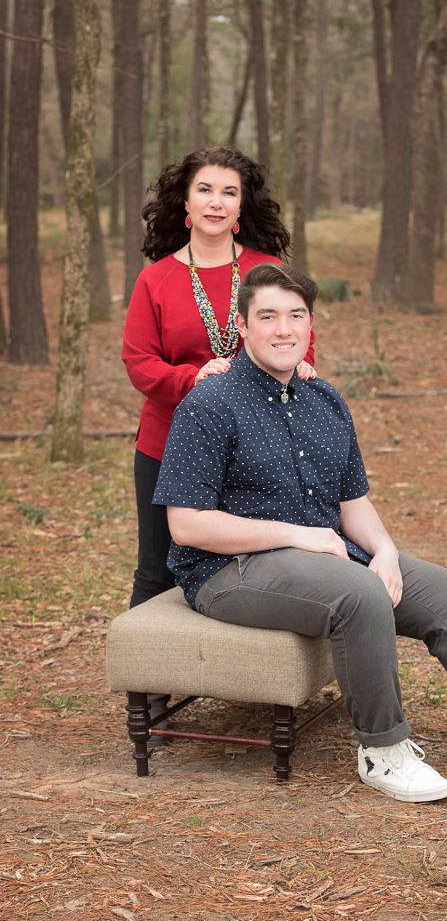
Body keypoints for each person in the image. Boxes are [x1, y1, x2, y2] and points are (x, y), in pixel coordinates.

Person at [152, 263, 447, 803]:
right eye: (268, 317)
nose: (283, 329)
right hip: (228, 572)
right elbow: (187, 525)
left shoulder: (324, 400)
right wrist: (300, 536)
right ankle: (384, 750)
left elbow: (353, 502)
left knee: (445, 591)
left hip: (326, 558)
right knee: (358, 592)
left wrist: (386, 551)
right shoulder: (209, 404)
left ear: (310, 325)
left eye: (296, 316)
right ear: (242, 325)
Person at [122, 145, 316, 613]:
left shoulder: (267, 270)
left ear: (241, 206)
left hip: (256, 443)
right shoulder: (155, 280)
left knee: (253, 561)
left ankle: (238, 669)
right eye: (204, 190)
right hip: (167, 444)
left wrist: (302, 365)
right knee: (158, 568)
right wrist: (192, 379)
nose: (216, 201)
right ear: (185, 204)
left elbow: (298, 338)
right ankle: (147, 683)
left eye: (229, 192)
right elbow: (138, 360)